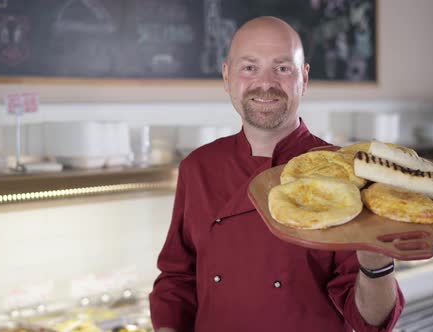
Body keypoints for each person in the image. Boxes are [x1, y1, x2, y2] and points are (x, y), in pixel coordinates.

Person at [149, 16, 404, 332]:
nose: (265, 83)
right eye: (249, 68)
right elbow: (177, 278)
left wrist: (377, 263)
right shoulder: (198, 167)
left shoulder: (345, 173)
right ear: (227, 76)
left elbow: (371, 321)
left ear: (304, 78)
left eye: (282, 68)